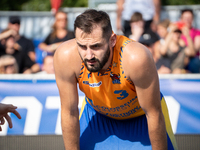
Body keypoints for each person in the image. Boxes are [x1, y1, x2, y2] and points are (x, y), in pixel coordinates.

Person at [54, 9, 177, 150]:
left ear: (112, 40)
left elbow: (153, 113)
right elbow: (69, 112)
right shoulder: (65, 57)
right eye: (82, 46)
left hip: (141, 117)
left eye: (96, 46)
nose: (89, 55)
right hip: (98, 116)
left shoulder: (135, 58)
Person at [179, 9, 200, 73]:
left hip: (192, 60)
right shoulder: (177, 32)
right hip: (180, 58)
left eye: (189, 18)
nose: (187, 20)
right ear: (181, 19)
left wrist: (187, 36)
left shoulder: (197, 32)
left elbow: (195, 50)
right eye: (185, 18)